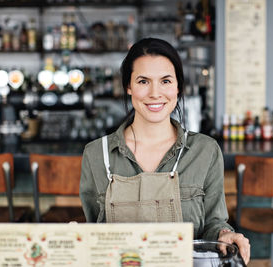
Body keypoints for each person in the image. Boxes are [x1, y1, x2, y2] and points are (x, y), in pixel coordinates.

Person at [79, 37, 250, 264]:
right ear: (128, 86)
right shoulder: (96, 154)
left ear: (178, 87)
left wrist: (225, 235)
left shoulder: (205, 151)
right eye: (143, 81)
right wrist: (77, 238)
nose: (155, 93)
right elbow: (95, 234)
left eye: (166, 81)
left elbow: (213, 224)